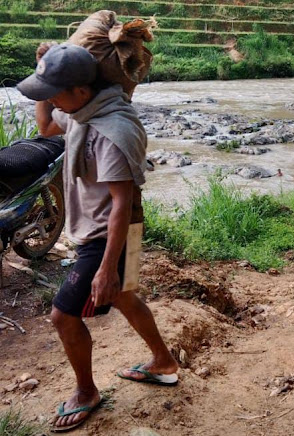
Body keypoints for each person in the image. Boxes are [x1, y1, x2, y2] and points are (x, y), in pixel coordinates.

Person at [17, 43, 178, 433]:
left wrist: (106, 267)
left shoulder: (110, 131)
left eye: (55, 92)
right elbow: (45, 126)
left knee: (63, 316)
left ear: (81, 92)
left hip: (109, 236)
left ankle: (86, 392)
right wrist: (43, 71)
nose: (51, 100)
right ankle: (164, 361)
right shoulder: (82, 112)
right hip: (119, 229)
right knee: (124, 296)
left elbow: (121, 202)